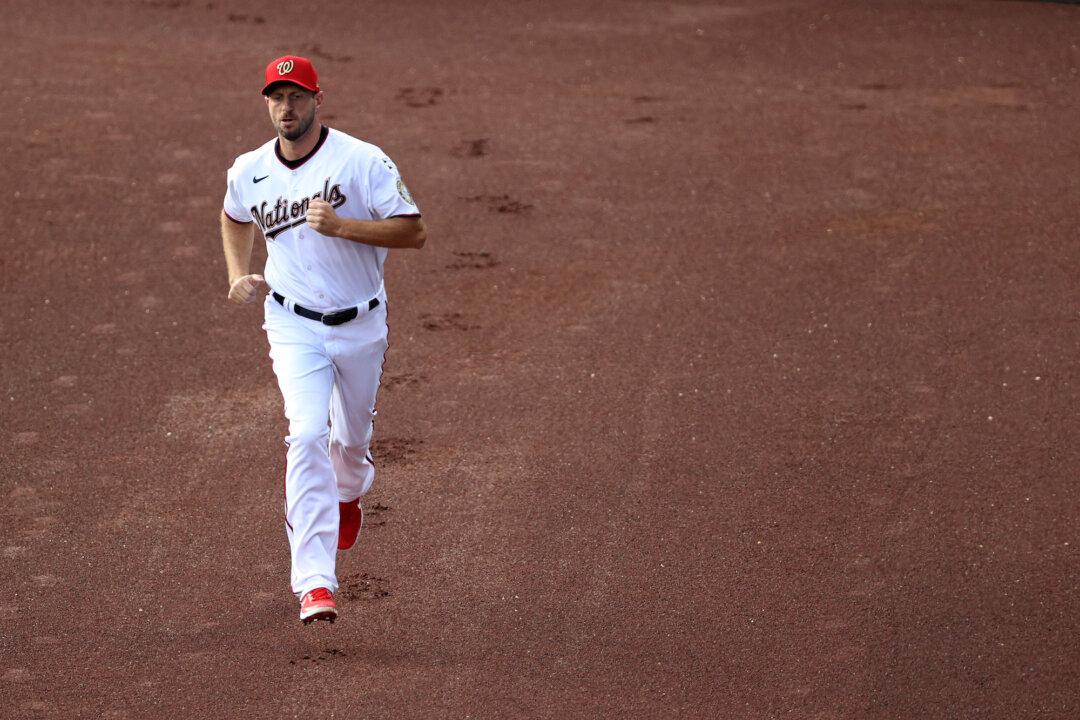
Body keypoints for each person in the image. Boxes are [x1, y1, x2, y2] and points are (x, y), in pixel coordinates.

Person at [220, 55, 426, 624]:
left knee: (351, 444)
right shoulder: (250, 169)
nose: (286, 108)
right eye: (276, 97)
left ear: (317, 99)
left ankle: (350, 490)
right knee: (306, 434)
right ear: (267, 102)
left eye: (297, 96)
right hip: (292, 324)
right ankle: (315, 582)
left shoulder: (362, 161)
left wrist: (343, 227)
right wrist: (238, 271)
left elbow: (414, 230)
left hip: (361, 324)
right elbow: (234, 215)